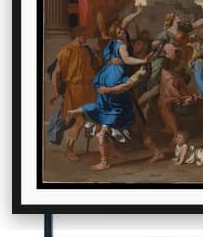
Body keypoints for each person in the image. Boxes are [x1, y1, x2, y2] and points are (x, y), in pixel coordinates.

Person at [62, 9, 147, 170]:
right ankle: (75, 150)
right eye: (83, 35)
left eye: (123, 30)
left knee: (104, 119)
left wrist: (137, 13)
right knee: (89, 120)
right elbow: (124, 58)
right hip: (90, 88)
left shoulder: (109, 45)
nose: (86, 37)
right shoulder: (114, 44)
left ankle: (108, 154)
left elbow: (124, 24)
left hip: (101, 87)